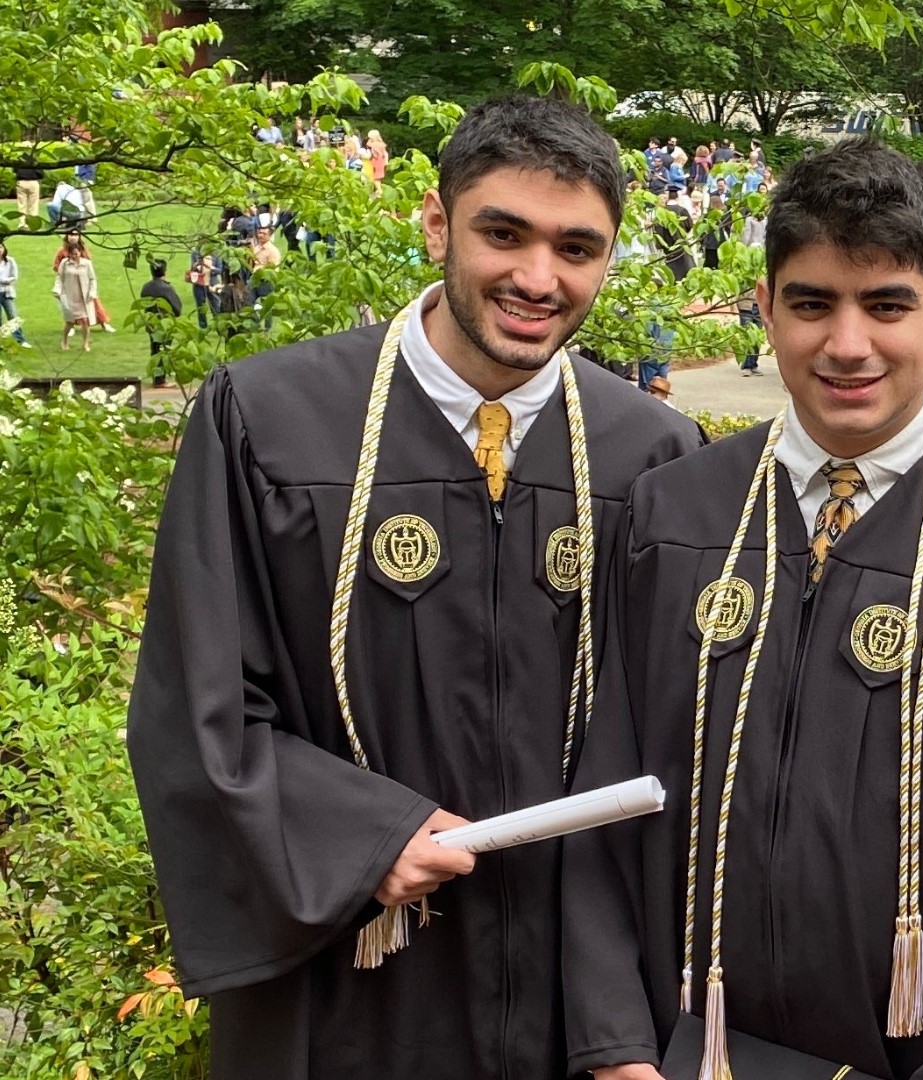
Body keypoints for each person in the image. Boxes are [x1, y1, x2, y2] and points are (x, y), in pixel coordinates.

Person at [125, 96, 703, 1080]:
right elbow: (200, 709)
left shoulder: (648, 456)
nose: (537, 276)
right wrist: (365, 837)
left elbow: (684, 738)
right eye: (502, 233)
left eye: (576, 247)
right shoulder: (271, 422)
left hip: (577, 1000)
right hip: (349, 976)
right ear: (437, 224)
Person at [560, 138, 923, 1080]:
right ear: (765, 310)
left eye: (887, 304)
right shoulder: (672, 513)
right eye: (811, 304)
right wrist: (613, 1047)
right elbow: (607, 788)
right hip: (678, 1055)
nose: (848, 344)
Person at [139, 259, 184, 386]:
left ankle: (157, 377)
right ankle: (160, 379)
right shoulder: (167, 288)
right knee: (163, 350)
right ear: (165, 271)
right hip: (164, 324)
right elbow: (177, 308)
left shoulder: (146, 287)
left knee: (154, 349)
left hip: (151, 323)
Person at [54, 235, 99, 352]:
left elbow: (92, 279)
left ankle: (85, 343)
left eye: (77, 253)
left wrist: (92, 292)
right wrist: (57, 290)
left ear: (80, 252)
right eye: (73, 254)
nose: (75, 256)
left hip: (83, 296)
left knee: (85, 320)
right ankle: (64, 341)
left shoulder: (87, 264)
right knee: (70, 321)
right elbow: (59, 278)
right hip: (70, 295)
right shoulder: (65, 263)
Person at [0, 240, 28, 347]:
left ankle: (20, 340)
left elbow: (14, 276)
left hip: (6, 293)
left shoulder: (10, 261)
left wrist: (5, 280)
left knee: (12, 316)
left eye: (1, 247)